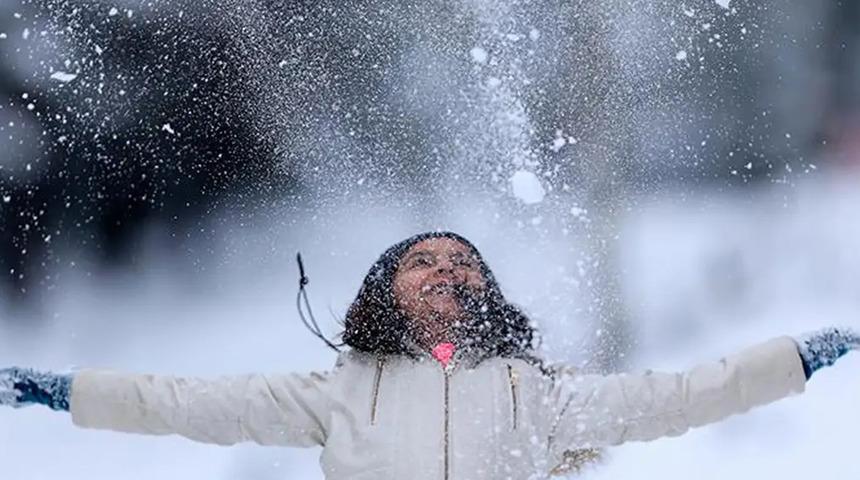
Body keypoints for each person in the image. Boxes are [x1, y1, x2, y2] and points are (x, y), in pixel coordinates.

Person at [0, 231, 857, 480]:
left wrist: (798, 358)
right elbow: (182, 401)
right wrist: (64, 392)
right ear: (386, 292)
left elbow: (683, 395)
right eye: (423, 260)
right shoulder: (335, 394)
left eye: (464, 261)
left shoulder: (540, 395)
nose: (448, 267)